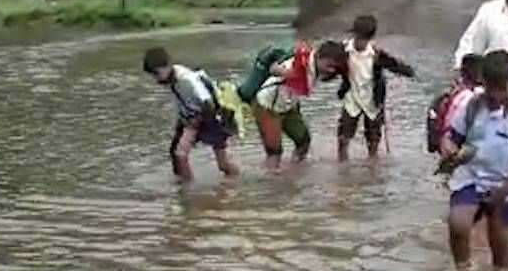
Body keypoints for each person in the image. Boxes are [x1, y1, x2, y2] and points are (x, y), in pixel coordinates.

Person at [441, 50, 508, 271]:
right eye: (490, 88)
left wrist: (507, 188)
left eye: (501, 88)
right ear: (482, 82)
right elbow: (452, 138)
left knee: (500, 245)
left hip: (506, 185)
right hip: (471, 178)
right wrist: (449, 150)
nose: (495, 95)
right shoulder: (472, 108)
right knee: (458, 224)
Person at [239, 40, 347, 168]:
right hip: (267, 107)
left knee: (303, 142)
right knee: (274, 152)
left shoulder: (319, 68)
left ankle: (295, 172)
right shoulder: (298, 64)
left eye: (335, 67)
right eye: (329, 65)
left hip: (288, 106)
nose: (331, 70)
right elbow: (274, 69)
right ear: (318, 57)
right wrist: (282, 71)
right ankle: (270, 182)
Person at [143, 46, 239, 183]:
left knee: (222, 165)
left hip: (209, 118)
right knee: (177, 154)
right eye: (153, 75)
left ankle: (190, 191)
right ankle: (185, 186)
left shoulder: (186, 79)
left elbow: (207, 103)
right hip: (190, 118)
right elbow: (181, 100)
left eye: (156, 74)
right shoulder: (172, 77)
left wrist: (193, 125)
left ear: (167, 66)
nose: (155, 78)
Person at [337, 15, 415, 161]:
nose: (360, 42)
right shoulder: (343, 51)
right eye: (358, 37)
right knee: (343, 138)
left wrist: (407, 71)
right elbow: (327, 61)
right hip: (351, 98)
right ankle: (342, 165)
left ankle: (372, 167)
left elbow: (395, 65)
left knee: (373, 139)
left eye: (363, 39)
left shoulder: (376, 55)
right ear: (354, 34)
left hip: (373, 100)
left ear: (369, 38)